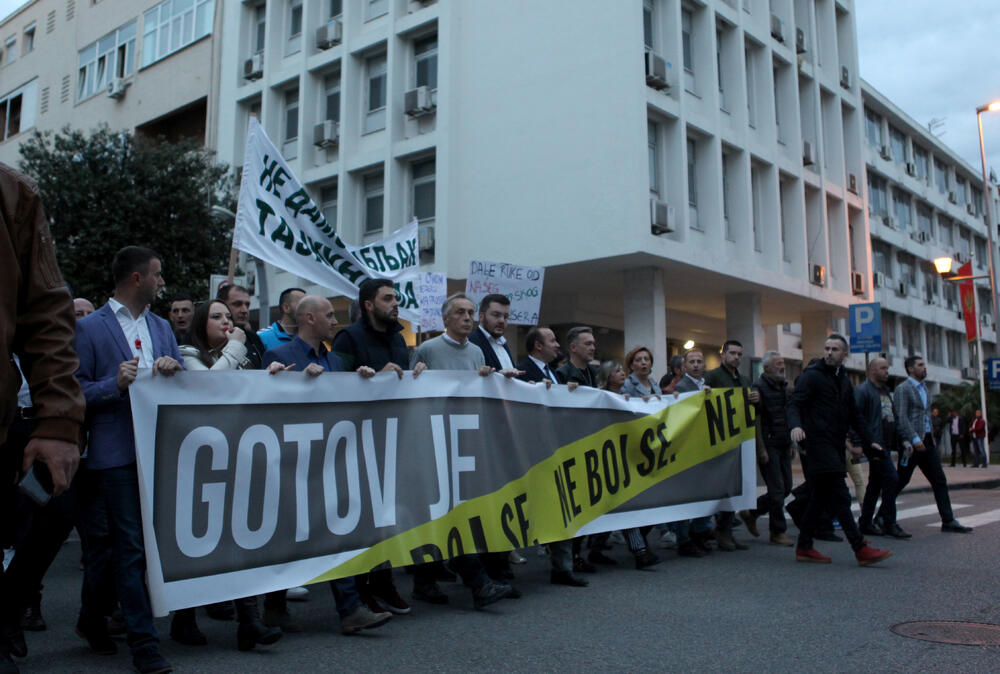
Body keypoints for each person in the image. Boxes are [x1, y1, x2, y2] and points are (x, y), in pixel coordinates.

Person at [74, 246, 184, 674]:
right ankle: (144, 645)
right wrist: (113, 384)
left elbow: (186, 391)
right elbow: (75, 393)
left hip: (159, 452)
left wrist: (176, 370)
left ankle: (90, 618)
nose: (162, 282)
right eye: (157, 275)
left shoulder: (160, 327)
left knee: (142, 547)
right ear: (137, 278)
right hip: (117, 455)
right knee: (130, 549)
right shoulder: (89, 329)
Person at [261, 295, 393, 635]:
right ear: (308, 318)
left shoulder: (335, 362)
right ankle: (273, 606)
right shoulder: (278, 356)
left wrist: (364, 382)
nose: (335, 321)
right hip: (291, 460)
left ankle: (349, 608)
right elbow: (265, 407)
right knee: (289, 534)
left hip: (327, 460)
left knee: (334, 527)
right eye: (329, 314)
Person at [0, 163, 86, 672]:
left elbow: (47, 316)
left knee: (48, 512)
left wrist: (59, 423)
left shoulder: (13, 193)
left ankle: (10, 610)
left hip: (19, 429)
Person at [171, 300, 283, 651]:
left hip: (237, 456)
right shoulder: (187, 353)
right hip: (199, 463)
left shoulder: (243, 355)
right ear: (201, 322)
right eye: (217, 316)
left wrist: (270, 378)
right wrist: (235, 346)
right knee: (200, 543)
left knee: (240, 539)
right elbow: (209, 388)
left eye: (229, 317)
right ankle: (184, 617)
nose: (227, 321)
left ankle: (249, 622)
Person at [409, 293, 517, 609]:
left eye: (471, 312)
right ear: (445, 319)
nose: (467, 317)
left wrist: (489, 378)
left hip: (464, 441)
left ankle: (424, 582)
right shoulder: (427, 349)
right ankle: (478, 583)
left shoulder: (477, 351)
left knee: (453, 511)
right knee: (444, 510)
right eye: (460, 312)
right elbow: (408, 390)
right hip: (433, 439)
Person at [331, 279, 424, 615]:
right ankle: (360, 588)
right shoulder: (348, 338)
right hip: (357, 442)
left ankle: (384, 582)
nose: (395, 303)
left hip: (391, 440)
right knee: (361, 518)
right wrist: (371, 377)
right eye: (387, 298)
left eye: (396, 298)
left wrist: (417, 374)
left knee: (386, 516)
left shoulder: (399, 338)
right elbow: (334, 385)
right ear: (368, 304)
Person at [786, 334, 891, 566]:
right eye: (827, 348)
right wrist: (795, 426)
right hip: (817, 444)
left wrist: (870, 441)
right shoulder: (812, 376)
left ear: (845, 354)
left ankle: (804, 546)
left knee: (819, 497)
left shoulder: (843, 380)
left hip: (834, 444)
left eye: (835, 349)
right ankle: (860, 547)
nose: (829, 352)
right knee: (840, 496)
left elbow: (855, 415)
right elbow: (795, 404)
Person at [515, 327, 588, 587]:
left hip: (556, 450)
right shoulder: (521, 371)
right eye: (552, 340)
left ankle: (562, 568)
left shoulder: (555, 374)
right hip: (533, 453)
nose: (557, 345)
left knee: (563, 508)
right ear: (537, 346)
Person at [892, 356, 973, 533]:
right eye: (920, 365)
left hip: (928, 442)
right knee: (900, 481)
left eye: (924, 365)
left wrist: (929, 439)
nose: (924, 368)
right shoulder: (903, 389)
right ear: (910, 369)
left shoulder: (925, 389)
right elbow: (901, 416)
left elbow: (925, 416)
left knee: (939, 480)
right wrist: (913, 439)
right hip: (912, 444)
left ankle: (948, 520)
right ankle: (883, 516)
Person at [597, 359, 661, 570]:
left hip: (630, 455)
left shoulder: (629, 396)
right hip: (608, 458)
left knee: (619, 506)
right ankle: (640, 551)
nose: (622, 373)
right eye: (616, 370)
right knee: (626, 505)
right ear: (608, 376)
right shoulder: (598, 397)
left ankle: (596, 548)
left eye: (621, 370)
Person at [703, 340, 759, 552]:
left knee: (735, 488)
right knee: (723, 488)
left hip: (739, 440)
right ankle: (720, 530)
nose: (736, 357)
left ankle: (726, 530)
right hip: (719, 441)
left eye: (739, 354)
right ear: (723, 354)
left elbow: (753, 412)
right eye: (732, 353)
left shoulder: (744, 380)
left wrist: (756, 399)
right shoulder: (713, 377)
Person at [739, 351, 795, 546]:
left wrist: (790, 443)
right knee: (777, 488)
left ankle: (752, 512)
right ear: (767, 368)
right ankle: (777, 531)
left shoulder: (783, 387)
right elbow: (757, 420)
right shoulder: (758, 388)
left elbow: (787, 416)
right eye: (778, 364)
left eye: (782, 363)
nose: (782, 366)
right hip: (768, 444)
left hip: (783, 443)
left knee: (787, 486)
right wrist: (761, 448)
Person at [850, 358, 909, 539]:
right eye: (883, 368)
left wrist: (903, 439)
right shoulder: (863, 391)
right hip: (874, 444)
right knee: (892, 479)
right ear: (873, 370)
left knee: (875, 483)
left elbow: (892, 416)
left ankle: (866, 521)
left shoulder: (884, 391)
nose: (887, 371)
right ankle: (888, 521)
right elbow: (853, 418)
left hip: (884, 442)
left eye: (887, 368)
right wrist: (857, 443)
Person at [671, 349, 715, 558]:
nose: (696, 365)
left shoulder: (708, 386)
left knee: (701, 493)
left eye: (699, 361)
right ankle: (684, 539)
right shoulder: (681, 387)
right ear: (684, 367)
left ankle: (700, 533)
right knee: (685, 496)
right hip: (687, 449)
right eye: (692, 362)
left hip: (703, 447)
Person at [218, 284, 268, 370]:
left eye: (247, 305)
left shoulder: (253, 338)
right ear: (221, 305)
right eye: (237, 304)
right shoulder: (212, 337)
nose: (244, 310)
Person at [468, 294, 515, 372]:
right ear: (481, 316)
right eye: (496, 315)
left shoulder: (502, 343)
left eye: (506, 316)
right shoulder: (471, 342)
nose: (502, 321)